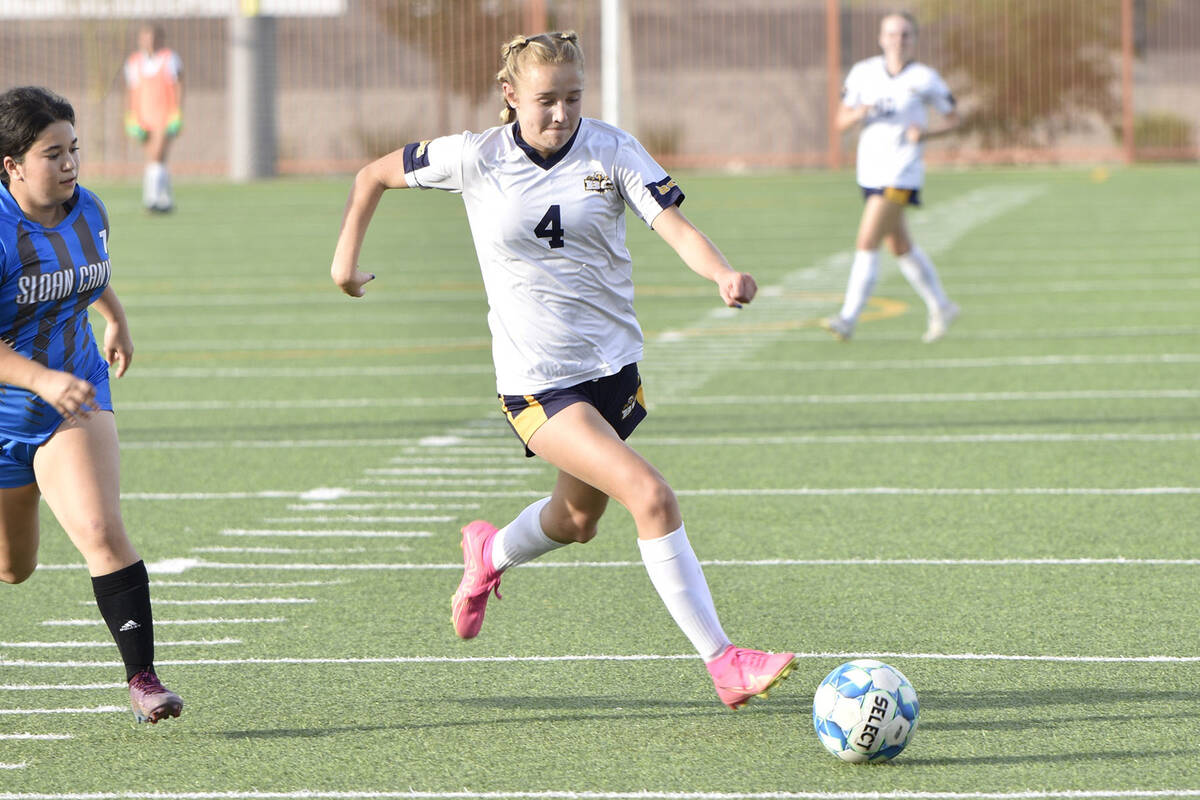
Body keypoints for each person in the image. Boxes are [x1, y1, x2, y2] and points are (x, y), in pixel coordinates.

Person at [331, 31, 796, 710]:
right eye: (546, 99)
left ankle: (489, 555)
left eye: (573, 97)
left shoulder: (611, 149)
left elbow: (672, 225)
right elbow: (370, 174)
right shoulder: (475, 156)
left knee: (577, 520)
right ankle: (724, 663)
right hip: (537, 381)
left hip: (611, 370)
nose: (560, 113)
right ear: (510, 95)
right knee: (651, 497)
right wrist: (345, 262)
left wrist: (722, 272)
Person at [0, 86, 183, 724]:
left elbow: (90, 272)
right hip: (9, 409)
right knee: (13, 569)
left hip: (73, 392)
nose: (70, 163)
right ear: (12, 165)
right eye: (53, 154)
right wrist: (34, 378)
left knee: (103, 531)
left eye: (74, 149)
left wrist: (116, 321)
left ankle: (143, 678)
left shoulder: (90, 210)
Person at [821, 11, 961, 344]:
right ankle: (942, 305)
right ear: (881, 38)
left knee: (867, 240)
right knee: (899, 245)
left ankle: (848, 317)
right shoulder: (863, 73)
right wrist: (858, 113)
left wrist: (926, 133)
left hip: (903, 172)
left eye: (905, 35)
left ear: (914, 39)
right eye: (892, 34)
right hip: (870, 171)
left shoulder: (925, 77)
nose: (898, 40)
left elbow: (955, 118)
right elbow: (839, 123)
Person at [123, 23, 182, 213]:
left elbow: (179, 85)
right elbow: (131, 90)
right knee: (156, 158)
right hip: (143, 117)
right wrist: (131, 116)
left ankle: (151, 199)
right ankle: (165, 200)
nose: (149, 41)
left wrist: (177, 112)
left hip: (164, 115)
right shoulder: (134, 61)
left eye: (152, 37)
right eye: (145, 37)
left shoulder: (169, 58)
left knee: (157, 155)